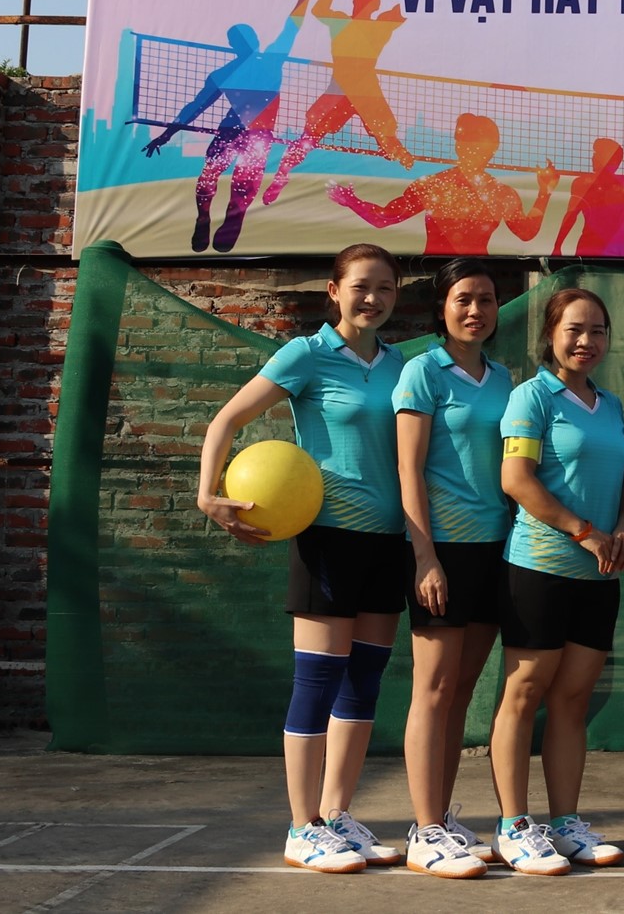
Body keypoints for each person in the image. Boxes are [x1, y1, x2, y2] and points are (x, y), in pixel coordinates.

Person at [194, 242, 409, 874]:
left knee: (363, 682)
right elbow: (225, 420)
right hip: (328, 540)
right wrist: (208, 494)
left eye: (386, 288)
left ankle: (337, 817)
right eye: (361, 286)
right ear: (334, 292)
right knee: (317, 682)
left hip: (388, 542)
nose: (373, 299)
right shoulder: (306, 354)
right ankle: (301, 826)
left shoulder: (402, 365)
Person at [489, 287, 624, 876]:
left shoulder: (609, 404)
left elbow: (623, 475)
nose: (586, 341)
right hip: (539, 568)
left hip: (599, 575)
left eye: (597, 330)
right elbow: (517, 480)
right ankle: (513, 826)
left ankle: (566, 823)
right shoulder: (531, 397)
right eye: (574, 329)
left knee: (573, 700)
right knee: (525, 693)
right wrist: (584, 532)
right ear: (550, 335)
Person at [391, 258, 513, 878]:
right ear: (442, 308)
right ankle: (425, 832)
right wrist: (425, 557)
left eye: (486, 299)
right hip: (441, 551)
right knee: (433, 690)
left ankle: (439, 817)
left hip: (496, 550)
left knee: (462, 690)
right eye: (464, 299)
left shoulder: (504, 377)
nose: (476, 310)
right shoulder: (421, 371)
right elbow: (408, 470)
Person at [143, 0, 320, 253]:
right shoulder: (244, 68)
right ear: (238, 45)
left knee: (235, 182)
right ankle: (206, 217)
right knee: (215, 178)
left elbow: (290, 29)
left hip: (250, 135)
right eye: (244, 38)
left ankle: (228, 220)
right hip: (242, 134)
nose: (249, 41)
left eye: (248, 37)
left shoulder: (257, 64)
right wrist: (166, 135)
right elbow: (194, 108)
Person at [264, 0, 418, 205]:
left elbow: (410, 4)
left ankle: (402, 167)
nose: (361, 2)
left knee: (388, 143)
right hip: (349, 91)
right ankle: (280, 177)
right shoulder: (347, 22)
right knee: (310, 138)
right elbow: (319, 11)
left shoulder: (372, 24)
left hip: (360, 91)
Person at [331, 111, 560, 253]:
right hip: (439, 278)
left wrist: (545, 192)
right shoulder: (434, 185)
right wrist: (352, 202)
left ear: (491, 148)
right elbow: (385, 218)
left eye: (473, 141)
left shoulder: (500, 193)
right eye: (463, 140)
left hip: (476, 277)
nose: (467, 147)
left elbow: (526, 232)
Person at [551, 137, 624, 258]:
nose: (593, 158)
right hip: (591, 250)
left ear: (609, 160)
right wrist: (557, 246)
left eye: (597, 154)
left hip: (607, 252)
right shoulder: (582, 184)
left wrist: (557, 246)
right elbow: (570, 217)